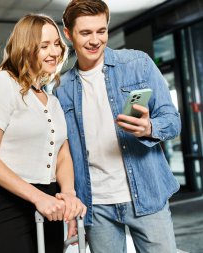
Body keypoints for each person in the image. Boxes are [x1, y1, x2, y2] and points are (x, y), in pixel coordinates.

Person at [54, 1, 181, 252]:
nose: (95, 40)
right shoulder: (62, 89)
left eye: (101, 31)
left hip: (147, 195)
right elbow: (65, 152)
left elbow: (172, 120)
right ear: (68, 34)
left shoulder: (138, 64)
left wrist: (149, 128)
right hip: (96, 206)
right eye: (85, 33)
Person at [0, 14, 87, 253]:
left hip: (49, 203)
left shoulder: (52, 100)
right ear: (26, 48)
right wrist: (37, 198)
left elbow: (62, 154)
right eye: (44, 46)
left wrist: (67, 195)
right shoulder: (4, 83)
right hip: (8, 205)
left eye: (56, 44)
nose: (54, 52)